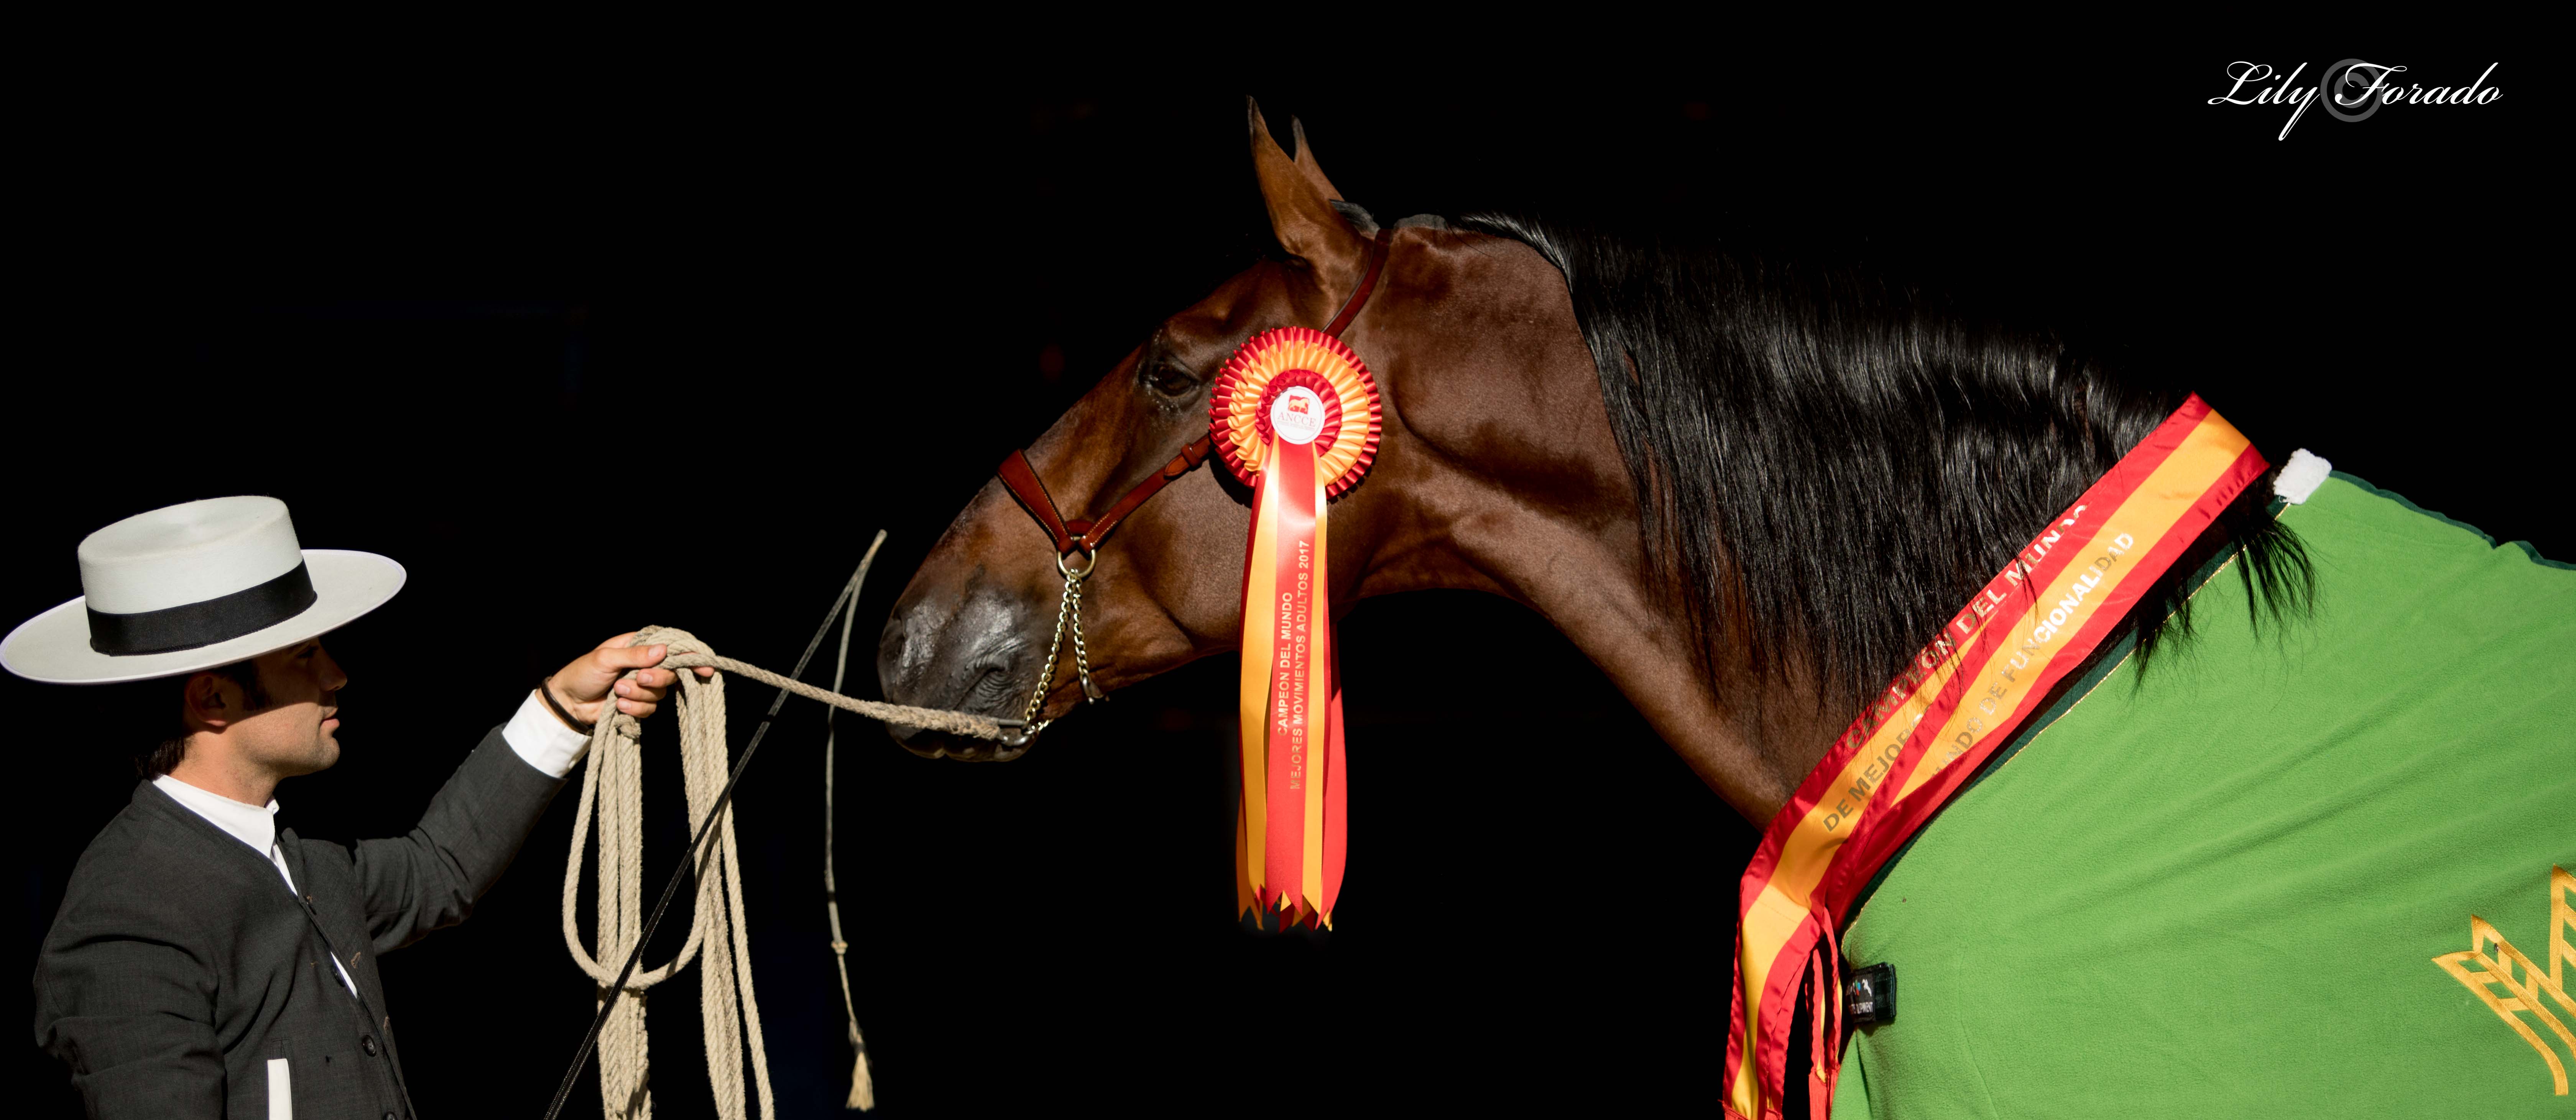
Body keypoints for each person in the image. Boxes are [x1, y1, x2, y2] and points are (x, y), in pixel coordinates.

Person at [6, 495, 705, 1118]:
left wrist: (564, 707)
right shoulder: (125, 920)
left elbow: (440, 869)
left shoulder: (296, 855)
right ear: (213, 699)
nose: (337, 674)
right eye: (305, 656)